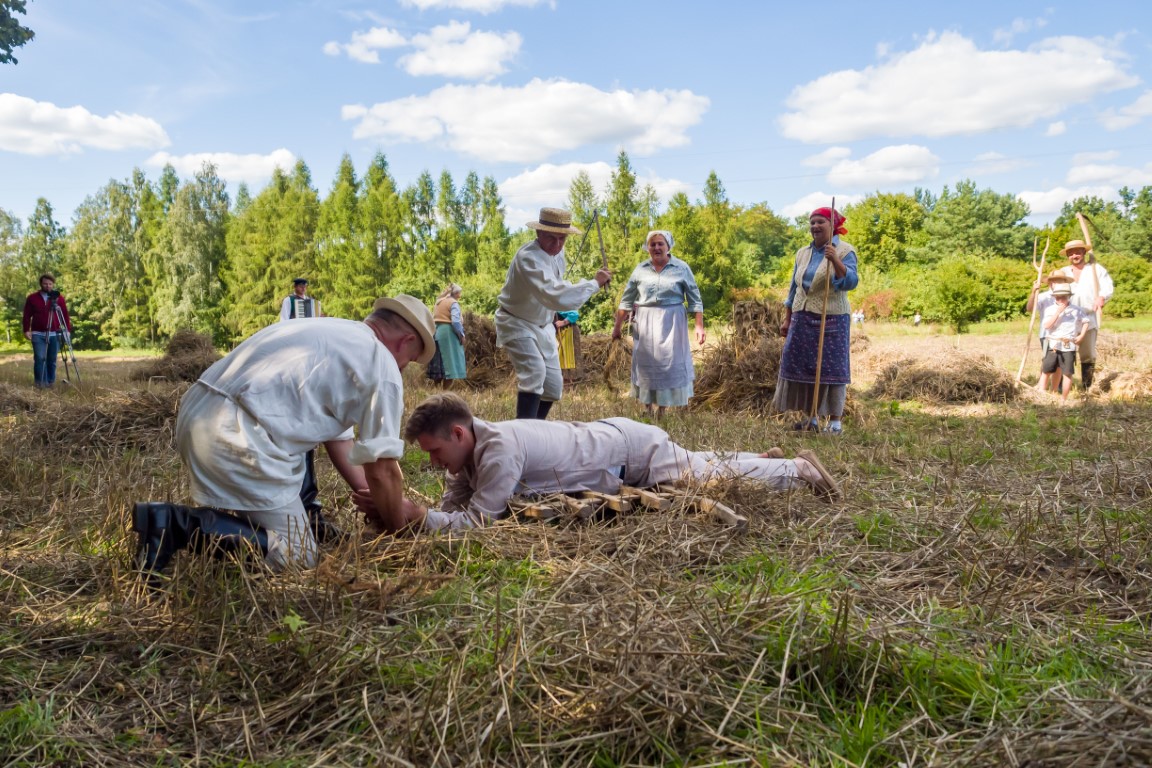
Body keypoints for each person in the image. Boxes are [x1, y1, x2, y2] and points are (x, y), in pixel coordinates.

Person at [131, 295, 436, 582]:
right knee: (299, 557)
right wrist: (397, 532)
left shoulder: (334, 332)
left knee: (285, 519)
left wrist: (369, 495)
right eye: (408, 360)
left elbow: (339, 440)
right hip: (239, 435)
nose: (403, 367)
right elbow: (382, 469)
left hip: (198, 411)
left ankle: (288, 519)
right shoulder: (380, 363)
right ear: (406, 341)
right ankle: (176, 526)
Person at [394, 392, 842, 531]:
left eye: (435, 453)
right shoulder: (474, 447)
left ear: (457, 433)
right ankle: (762, 459)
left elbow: (477, 521)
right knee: (695, 463)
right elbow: (455, 499)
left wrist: (418, 520)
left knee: (698, 478)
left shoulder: (499, 451)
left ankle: (795, 471)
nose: (435, 464)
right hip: (618, 440)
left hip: (629, 452)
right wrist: (428, 516)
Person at [495, 207, 611, 420]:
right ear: (538, 233)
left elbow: (555, 288)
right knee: (534, 373)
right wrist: (594, 284)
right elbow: (554, 294)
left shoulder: (557, 255)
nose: (557, 245)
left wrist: (555, 312)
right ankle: (525, 435)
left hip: (544, 325)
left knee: (552, 385)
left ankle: (536, 428)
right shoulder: (528, 258)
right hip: (516, 322)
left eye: (562, 239)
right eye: (551, 238)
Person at [772, 207, 859, 434]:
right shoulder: (802, 253)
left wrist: (835, 260)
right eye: (812, 223)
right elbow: (793, 288)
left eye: (820, 222)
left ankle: (835, 422)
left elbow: (850, 282)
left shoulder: (845, 251)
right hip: (802, 315)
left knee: (832, 368)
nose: (815, 227)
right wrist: (787, 318)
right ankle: (810, 418)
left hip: (832, 317)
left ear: (833, 226)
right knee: (805, 367)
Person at [611, 230, 705, 419]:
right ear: (648, 248)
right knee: (645, 364)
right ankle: (647, 408)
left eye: (660, 244)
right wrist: (617, 326)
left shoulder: (681, 268)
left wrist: (699, 325)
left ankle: (662, 408)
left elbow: (695, 298)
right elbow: (626, 300)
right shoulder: (641, 269)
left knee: (668, 363)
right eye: (652, 244)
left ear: (668, 246)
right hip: (645, 321)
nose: (656, 248)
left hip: (672, 321)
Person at [1052, 239, 1113, 390]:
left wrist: (1102, 297)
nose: (1075, 255)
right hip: (1066, 318)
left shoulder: (1096, 269)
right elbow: (1053, 290)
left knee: (1088, 354)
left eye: (1078, 251)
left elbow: (1107, 287)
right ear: (1067, 256)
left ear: (1084, 252)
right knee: (1064, 351)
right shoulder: (1063, 272)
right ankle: (1061, 386)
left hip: (1088, 317)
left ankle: (1087, 386)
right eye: (1071, 253)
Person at [1026, 270, 1075, 393]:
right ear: (1051, 283)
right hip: (1047, 335)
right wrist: (1033, 292)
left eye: (1061, 281)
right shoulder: (1043, 296)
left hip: (1064, 336)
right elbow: (1030, 309)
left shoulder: (1068, 297)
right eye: (1056, 281)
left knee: (1059, 363)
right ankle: (1042, 387)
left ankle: (1053, 390)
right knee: (1048, 361)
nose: (1058, 284)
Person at [1040, 283, 1089, 403]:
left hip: (1069, 345)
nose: (1060, 300)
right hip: (1053, 344)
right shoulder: (1050, 309)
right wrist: (1057, 313)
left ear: (1068, 297)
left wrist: (1081, 335)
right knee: (1046, 370)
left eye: (1063, 297)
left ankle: (1063, 399)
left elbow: (1086, 321)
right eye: (1057, 297)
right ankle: (1041, 394)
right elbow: (1047, 325)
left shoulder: (1076, 310)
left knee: (1067, 372)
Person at [22, 274, 73, 389]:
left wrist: (67, 330)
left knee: (52, 359)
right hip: (37, 333)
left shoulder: (58, 298)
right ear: (41, 284)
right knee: (40, 358)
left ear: (53, 284)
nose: (48, 286)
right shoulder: (32, 298)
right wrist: (26, 330)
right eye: (45, 284)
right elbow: (26, 315)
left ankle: (50, 382)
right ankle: (40, 383)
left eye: (50, 284)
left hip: (54, 333)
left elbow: (65, 315)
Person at [432, 283, 467, 383]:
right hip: (449, 333)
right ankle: (445, 392)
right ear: (456, 293)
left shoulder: (439, 302)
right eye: (459, 293)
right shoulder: (453, 303)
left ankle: (437, 390)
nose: (460, 295)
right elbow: (455, 321)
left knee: (440, 363)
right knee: (451, 363)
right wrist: (461, 335)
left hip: (438, 332)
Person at [554, 310, 583, 384]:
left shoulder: (558, 304)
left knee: (567, 356)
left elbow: (574, 314)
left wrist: (563, 322)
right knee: (559, 357)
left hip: (567, 331)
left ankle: (569, 382)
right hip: (558, 333)